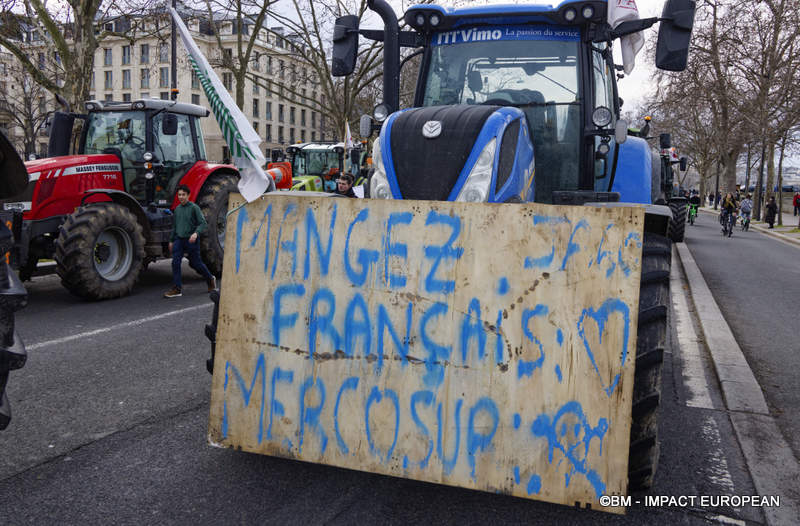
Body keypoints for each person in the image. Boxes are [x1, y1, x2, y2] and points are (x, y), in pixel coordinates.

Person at [164, 184, 217, 298]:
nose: (181, 197)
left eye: (183, 195)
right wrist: (171, 240)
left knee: (196, 263)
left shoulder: (194, 208)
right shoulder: (177, 209)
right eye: (179, 195)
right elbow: (175, 226)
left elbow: (203, 223)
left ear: (188, 195)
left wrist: (195, 233)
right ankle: (177, 288)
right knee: (175, 263)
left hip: (191, 240)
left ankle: (210, 278)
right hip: (179, 239)